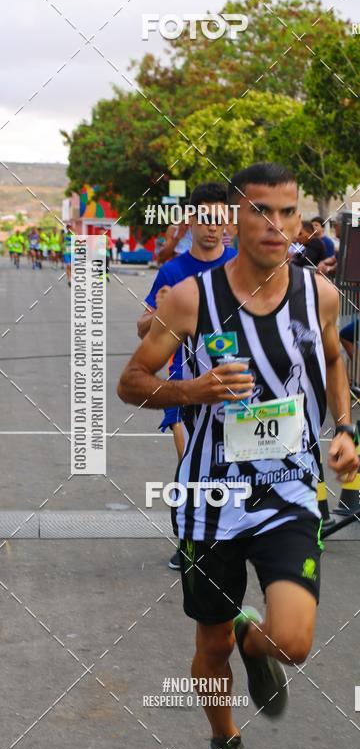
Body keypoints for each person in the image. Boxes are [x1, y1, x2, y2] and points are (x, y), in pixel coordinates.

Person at [118, 161, 359, 749]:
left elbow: (334, 359)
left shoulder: (321, 295)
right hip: (209, 497)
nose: (276, 225)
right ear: (234, 216)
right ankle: (225, 740)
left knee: (295, 641)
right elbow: (131, 382)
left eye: (288, 212)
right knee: (212, 640)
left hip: (289, 489)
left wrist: (343, 428)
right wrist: (192, 388)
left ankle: (262, 645)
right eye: (260, 210)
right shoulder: (189, 298)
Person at [137, 182, 236, 570]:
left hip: (235, 383)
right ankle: (189, 542)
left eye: (219, 220)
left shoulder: (239, 266)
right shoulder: (173, 271)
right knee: (192, 463)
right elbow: (143, 328)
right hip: (187, 386)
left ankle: (232, 537)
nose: (212, 228)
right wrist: (157, 313)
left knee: (231, 466)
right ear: (191, 220)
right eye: (205, 219)